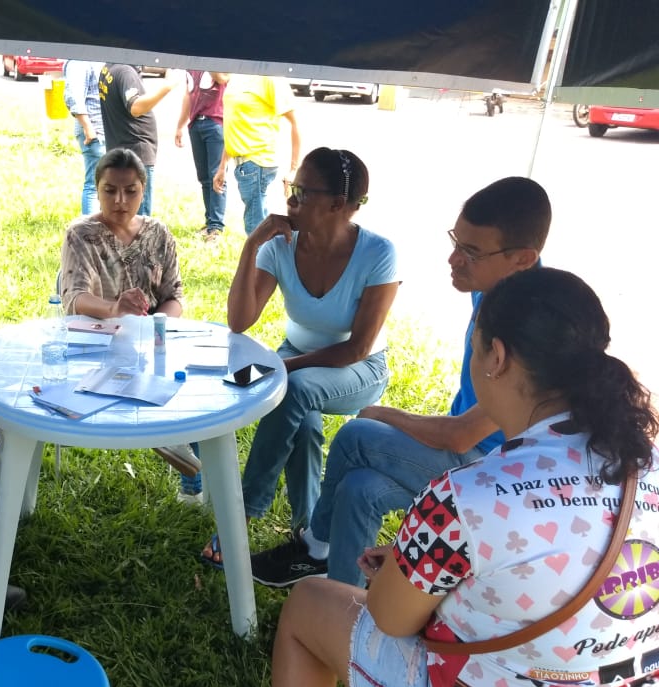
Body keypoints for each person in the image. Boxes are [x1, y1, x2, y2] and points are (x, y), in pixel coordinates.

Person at [234, 266, 659, 687]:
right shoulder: (647, 462)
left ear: (495, 357)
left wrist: (413, 571)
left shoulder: (467, 497)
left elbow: (392, 621)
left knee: (307, 606)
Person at [249, 176, 552, 588]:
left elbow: (463, 436)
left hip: (497, 478)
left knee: (356, 433)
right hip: (478, 456)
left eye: (471, 251)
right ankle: (344, 604)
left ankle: (314, 544)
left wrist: (384, 413)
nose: (453, 259)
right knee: (359, 489)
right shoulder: (496, 289)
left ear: (522, 258)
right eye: (455, 242)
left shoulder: (530, 326)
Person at [201, 148, 399, 568]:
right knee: (303, 423)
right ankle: (312, 534)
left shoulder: (378, 254)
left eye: (303, 193)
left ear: (339, 205)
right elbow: (239, 322)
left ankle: (243, 514)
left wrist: (278, 369)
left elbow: (357, 347)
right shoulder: (280, 246)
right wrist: (251, 245)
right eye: (292, 188)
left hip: (360, 367)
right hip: (296, 358)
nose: (290, 201)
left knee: (295, 390)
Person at [59, 147, 201, 495]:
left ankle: (193, 481)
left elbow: (174, 297)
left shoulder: (158, 234)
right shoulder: (82, 234)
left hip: (152, 341)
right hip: (97, 342)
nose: (120, 200)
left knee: (194, 396)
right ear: (97, 189)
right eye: (110, 190)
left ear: (143, 188)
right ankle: (167, 444)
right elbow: (73, 298)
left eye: (131, 190)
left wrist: (154, 328)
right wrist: (114, 308)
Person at [212, 75, 300, 236]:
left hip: (257, 162)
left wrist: (294, 169)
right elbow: (235, 123)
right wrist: (222, 166)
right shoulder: (237, 75)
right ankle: (265, 259)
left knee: (255, 230)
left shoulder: (271, 77)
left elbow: (296, 122)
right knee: (258, 227)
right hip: (242, 163)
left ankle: (259, 261)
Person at [98, 63, 180, 216]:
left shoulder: (109, 67)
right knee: (137, 221)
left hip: (121, 152)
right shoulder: (125, 71)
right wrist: (167, 86)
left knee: (120, 217)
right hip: (136, 153)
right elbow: (135, 106)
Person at [175, 70, 229, 242]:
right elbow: (187, 97)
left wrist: (207, 59)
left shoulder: (218, 58)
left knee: (217, 175)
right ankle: (210, 222)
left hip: (215, 122)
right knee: (204, 177)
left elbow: (223, 77)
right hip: (196, 123)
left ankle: (217, 227)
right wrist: (180, 126)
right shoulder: (190, 66)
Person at [63, 60, 105, 215]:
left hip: (103, 130)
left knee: (104, 183)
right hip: (94, 131)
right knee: (94, 186)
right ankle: (90, 233)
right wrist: (88, 128)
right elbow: (73, 97)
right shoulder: (79, 61)